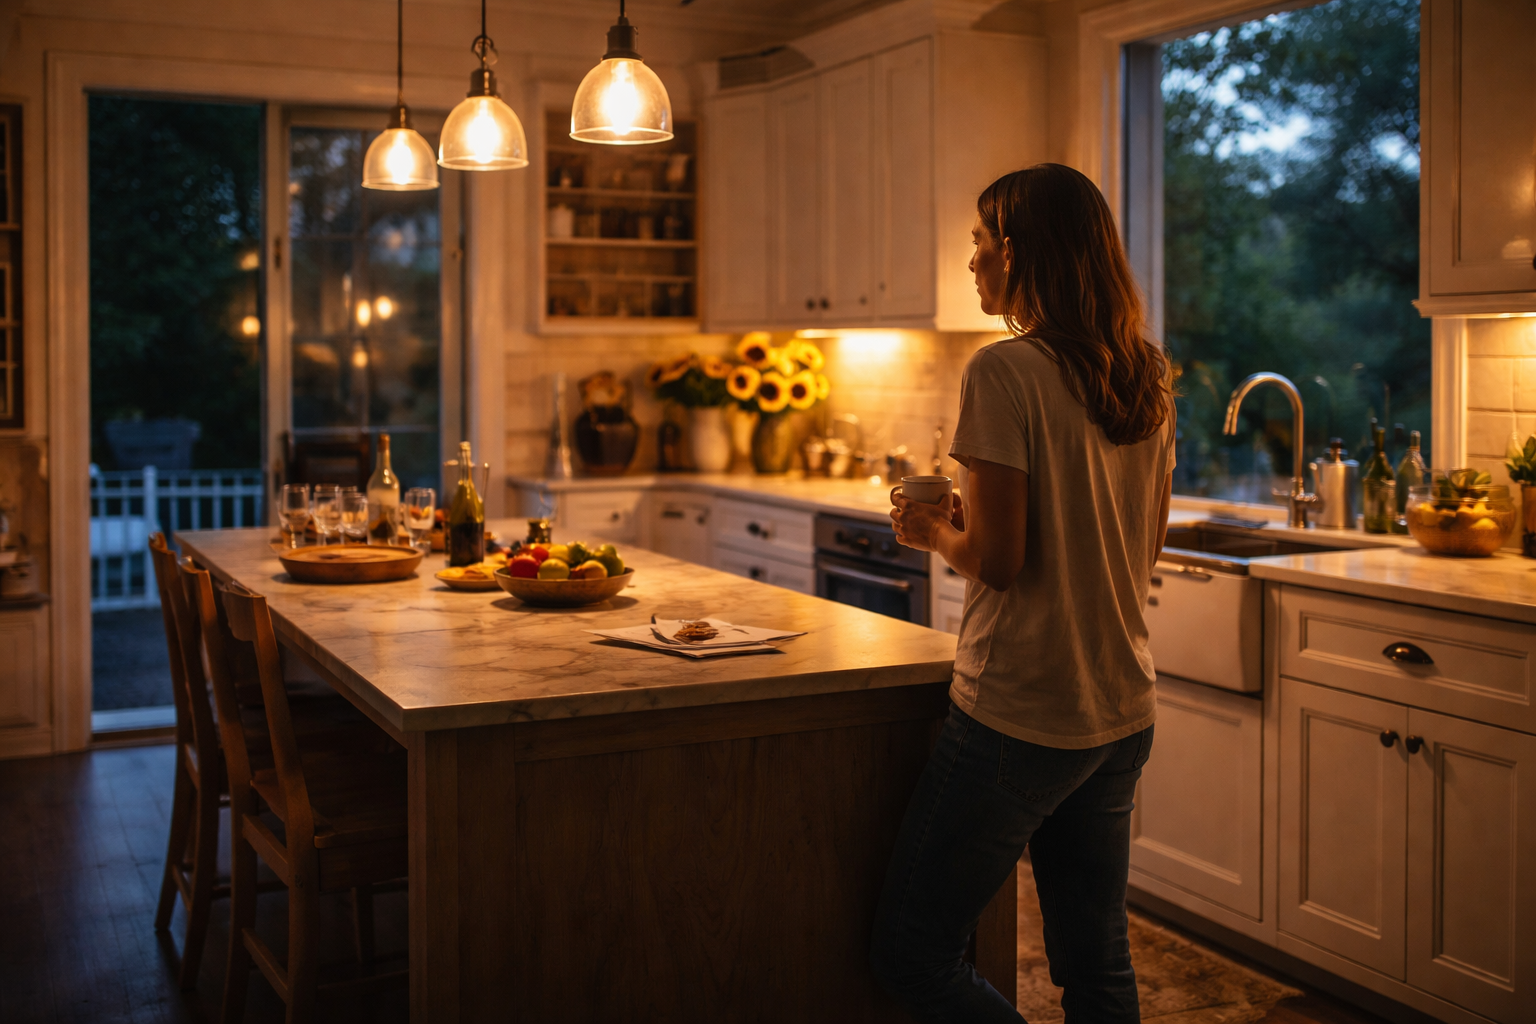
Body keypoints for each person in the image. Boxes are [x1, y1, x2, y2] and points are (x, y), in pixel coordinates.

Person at [869, 163, 1176, 1023]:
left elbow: (1000, 562)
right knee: (1097, 960)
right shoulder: (1143, 373)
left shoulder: (1003, 370)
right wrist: (979, 525)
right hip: (1119, 708)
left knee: (912, 954)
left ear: (1016, 251)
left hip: (1020, 710)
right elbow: (1130, 545)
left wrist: (935, 531)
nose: (971, 262)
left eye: (978, 242)